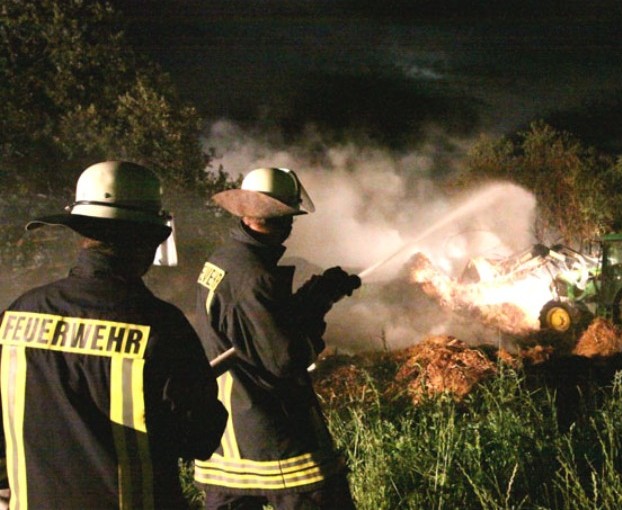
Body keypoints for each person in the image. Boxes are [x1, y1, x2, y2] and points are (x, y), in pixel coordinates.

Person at [0, 161, 228, 509]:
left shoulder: (15, 315)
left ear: (82, 234)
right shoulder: (160, 326)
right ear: (145, 242)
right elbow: (198, 438)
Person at [194, 167, 360, 510]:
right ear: (285, 220)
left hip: (228, 444)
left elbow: (255, 330)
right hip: (273, 440)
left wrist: (315, 297)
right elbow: (286, 358)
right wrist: (313, 326)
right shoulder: (256, 276)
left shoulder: (224, 259)